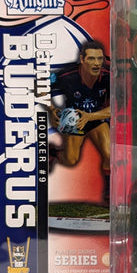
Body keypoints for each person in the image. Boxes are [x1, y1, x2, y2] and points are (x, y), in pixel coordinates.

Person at [48, 40, 111, 187]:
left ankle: (109, 190)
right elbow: (39, 87)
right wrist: (52, 109)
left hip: (96, 118)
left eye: (100, 59)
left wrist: (90, 116)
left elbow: (117, 108)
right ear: (82, 59)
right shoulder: (66, 75)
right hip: (73, 119)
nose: (97, 63)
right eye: (91, 58)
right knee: (71, 161)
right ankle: (53, 153)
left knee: (110, 154)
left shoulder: (109, 76)